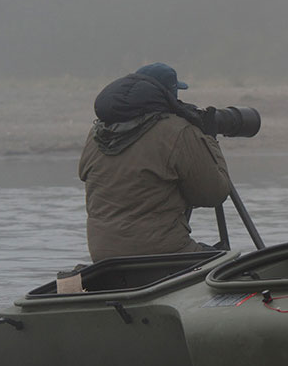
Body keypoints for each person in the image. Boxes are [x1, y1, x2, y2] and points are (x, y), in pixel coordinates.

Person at [78, 63, 231, 262]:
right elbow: (213, 194)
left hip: (103, 257)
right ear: (168, 96)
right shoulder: (176, 132)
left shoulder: (97, 134)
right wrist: (209, 139)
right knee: (229, 263)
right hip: (162, 254)